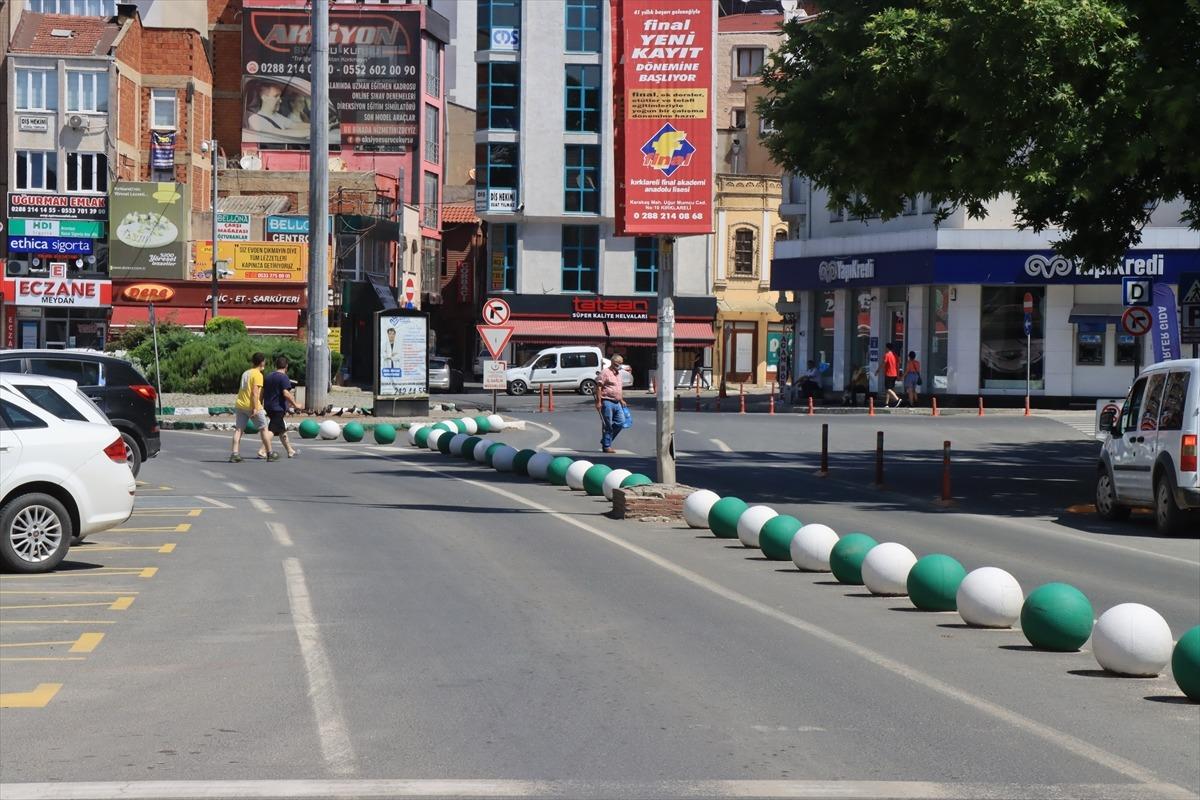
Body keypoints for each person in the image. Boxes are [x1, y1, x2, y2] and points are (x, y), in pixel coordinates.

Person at [230, 352, 270, 463]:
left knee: (239, 430)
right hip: (251, 405)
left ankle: (234, 453)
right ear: (262, 362)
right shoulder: (258, 374)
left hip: (240, 404)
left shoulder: (245, 373)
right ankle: (269, 452)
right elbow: (255, 393)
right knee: (264, 428)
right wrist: (255, 407)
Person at [261, 355, 299, 460]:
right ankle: (263, 450)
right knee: (272, 430)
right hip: (278, 408)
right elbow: (286, 393)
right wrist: (295, 404)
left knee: (282, 430)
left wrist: (260, 403)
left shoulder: (268, 376)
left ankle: (290, 450)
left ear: (276, 365)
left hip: (268, 406)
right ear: (286, 366)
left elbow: (262, 392)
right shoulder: (284, 377)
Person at [245, 83, 310, 139]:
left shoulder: (277, 116)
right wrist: (312, 132)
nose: (280, 101)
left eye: (280, 97)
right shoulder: (255, 119)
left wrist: (315, 126)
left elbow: (295, 125)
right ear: (264, 98)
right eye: (276, 96)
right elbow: (282, 133)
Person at [595, 354, 629, 454]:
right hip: (607, 401)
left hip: (617, 402)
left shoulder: (618, 374)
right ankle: (606, 446)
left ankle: (606, 440)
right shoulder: (605, 372)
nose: (620, 365)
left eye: (621, 363)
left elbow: (618, 388)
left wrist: (621, 399)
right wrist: (598, 402)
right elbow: (599, 387)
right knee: (608, 425)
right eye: (618, 363)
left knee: (621, 422)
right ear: (613, 363)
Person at [876, 342, 902, 407]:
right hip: (894, 374)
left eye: (886, 348)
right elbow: (898, 365)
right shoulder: (895, 355)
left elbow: (883, 363)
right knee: (890, 389)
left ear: (887, 348)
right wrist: (898, 375)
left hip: (889, 374)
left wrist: (878, 370)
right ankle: (886, 403)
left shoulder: (887, 355)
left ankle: (897, 399)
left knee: (888, 389)